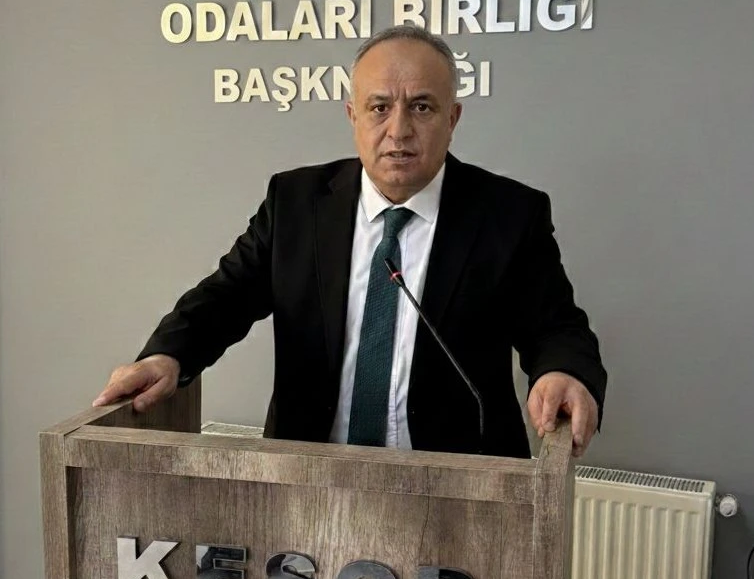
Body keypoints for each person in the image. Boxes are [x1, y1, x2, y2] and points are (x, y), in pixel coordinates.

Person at [94, 26, 606, 458]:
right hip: (312, 478)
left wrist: (563, 371)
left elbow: (556, 326)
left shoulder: (508, 215)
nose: (399, 130)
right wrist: (166, 356)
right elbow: (224, 298)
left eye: (422, 107)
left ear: (452, 119)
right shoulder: (296, 202)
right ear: (352, 116)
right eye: (379, 107)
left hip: (460, 487)